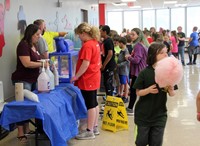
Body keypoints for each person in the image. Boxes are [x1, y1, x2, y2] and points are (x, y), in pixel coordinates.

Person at [133, 42, 175, 146]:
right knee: (141, 142)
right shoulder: (144, 72)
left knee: (156, 143)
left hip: (159, 115)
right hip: (143, 115)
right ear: (152, 55)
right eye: (162, 53)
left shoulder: (168, 73)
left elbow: (172, 94)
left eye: (166, 52)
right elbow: (138, 92)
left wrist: (171, 89)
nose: (166, 55)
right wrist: (147, 90)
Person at [11, 24, 48, 142]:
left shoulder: (34, 45)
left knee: (31, 105)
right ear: (30, 34)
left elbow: (35, 60)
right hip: (23, 80)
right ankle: (20, 132)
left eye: (39, 34)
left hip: (33, 79)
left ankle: (27, 129)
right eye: (37, 34)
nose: (39, 37)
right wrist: (42, 64)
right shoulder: (23, 45)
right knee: (22, 106)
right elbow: (26, 63)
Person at [70, 22, 101, 140]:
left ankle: (89, 131)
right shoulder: (95, 43)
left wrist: (76, 76)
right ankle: (95, 126)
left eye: (79, 35)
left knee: (90, 105)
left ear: (83, 34)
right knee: (94, 102)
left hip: (88, 78)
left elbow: (85, 63)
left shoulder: (87, 45)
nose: (78, 38)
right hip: (94, 76)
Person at [125, 28, 149, 115]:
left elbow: (136, 60)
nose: (131, 36)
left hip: (138, 72)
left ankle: (130, 108)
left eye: (133, 34)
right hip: (142, 70)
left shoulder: (138, 46)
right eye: (130, 34)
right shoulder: (143, 44)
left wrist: (128, 57)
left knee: (134, 90)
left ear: (138, 35)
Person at [100, 25, 116, 96]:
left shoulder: (109, 41)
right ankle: (108, 99)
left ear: (104, 32)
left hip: (109, 66)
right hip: (106, 65)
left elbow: (110, 54)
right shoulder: (105, 41)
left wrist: (104, 65)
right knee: (106, 84)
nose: (99, 32)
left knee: (108, 83)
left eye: (101, 31)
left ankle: (110, 100)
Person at [117, 37, 130, 103]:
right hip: (121, 70)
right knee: (122, 83)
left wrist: (119, 65)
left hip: (124, 70)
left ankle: (126, 96)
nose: (118, 44)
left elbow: (127, 61)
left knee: (125, 84)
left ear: (122, 43)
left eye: (119, 43)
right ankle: (121, 94)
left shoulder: (126, 51)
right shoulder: (122, 50)